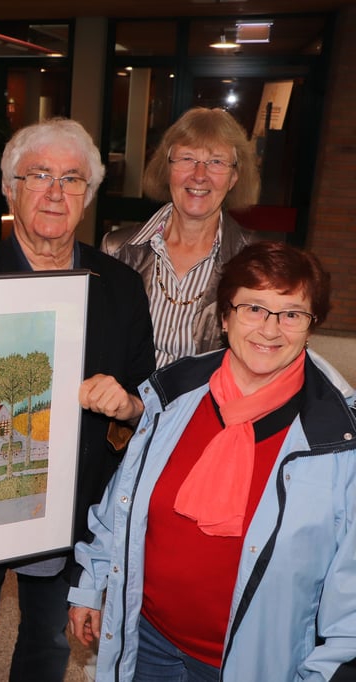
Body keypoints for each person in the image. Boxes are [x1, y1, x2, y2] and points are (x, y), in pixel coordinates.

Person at [0, 118, 156, 682]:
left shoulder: (121, 286)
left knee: (47, 651)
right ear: (9, 188)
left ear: (88, 196)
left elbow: (146, 400)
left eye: (73, 179)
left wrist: (126, 405)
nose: (56, 192)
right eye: (40, 175)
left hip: (71, 504)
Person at [68, 241, 356, 680]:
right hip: (147, 639)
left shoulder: (337, 437)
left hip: (253, 664)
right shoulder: (174, 395)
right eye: (254, 308)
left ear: (310, 327)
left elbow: (350, 593)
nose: (271, 329)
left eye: (292, 314)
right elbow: (122, 502)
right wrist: (92, 582)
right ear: (225, 317)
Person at [102, 107, 260, 367]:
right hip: (127, 404)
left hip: (209, 405)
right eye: (187, 158)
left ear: (233, 177)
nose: (199, 175)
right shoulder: (117, 249)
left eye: (216, 162)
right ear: (167, 169)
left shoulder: (253, 260)